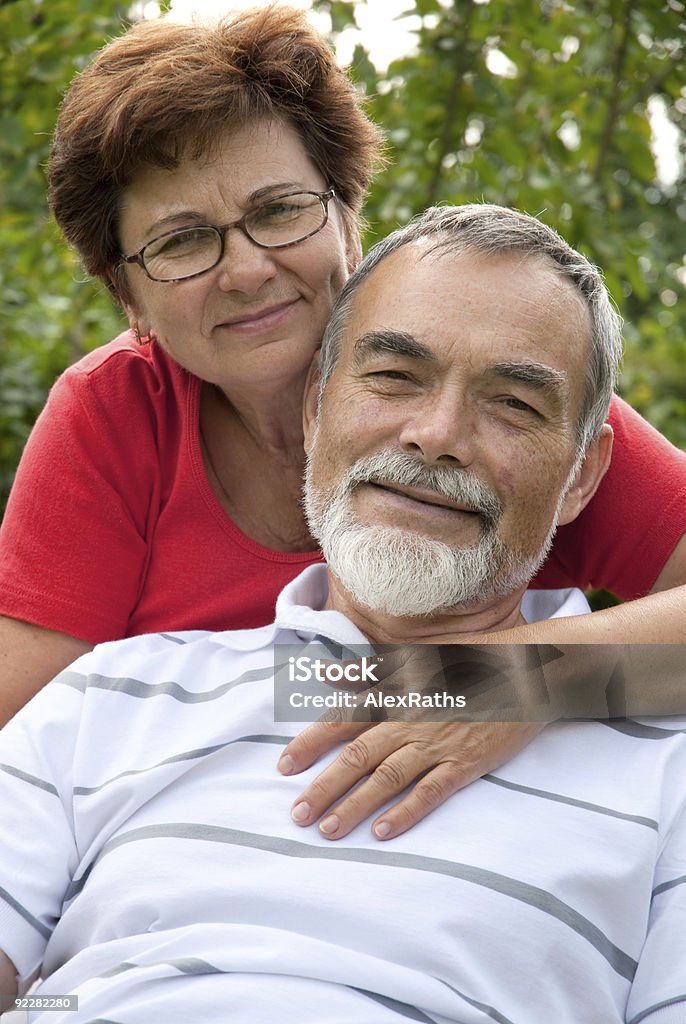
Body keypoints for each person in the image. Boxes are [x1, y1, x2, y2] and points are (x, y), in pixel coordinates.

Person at [0, 6, 685, 835]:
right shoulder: (114, 416)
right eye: (181, 243)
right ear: (127, 295)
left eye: (280, 210)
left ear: (347, 218)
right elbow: (27, 735)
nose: (248, 270)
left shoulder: (499, 399)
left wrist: (522, 681)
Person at [0, 205, 682, 1024]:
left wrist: (509, 682)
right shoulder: (105, 700)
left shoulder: (666, 775)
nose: (436, 436)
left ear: (582, 476)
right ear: (315, 407)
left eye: (513, 405)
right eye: (394, 376)